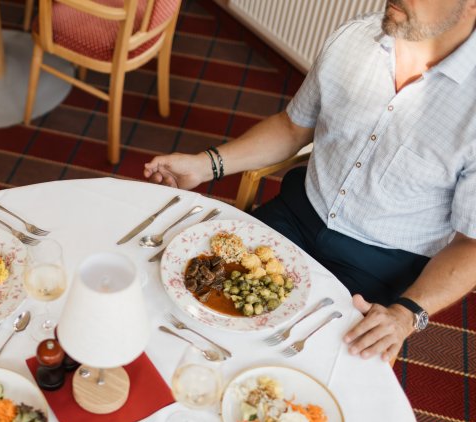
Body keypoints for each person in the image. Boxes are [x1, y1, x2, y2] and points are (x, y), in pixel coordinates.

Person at [144, 0, 476, 362]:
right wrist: (206, 165)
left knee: (295, 365)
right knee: (186, 301)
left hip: (379, 264)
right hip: (295, 214)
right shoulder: (353, 38)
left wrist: (407, 313)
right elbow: (292, 127)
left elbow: (470, 245)